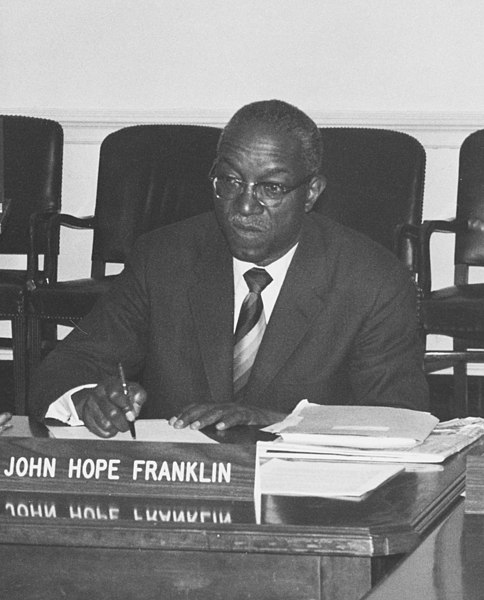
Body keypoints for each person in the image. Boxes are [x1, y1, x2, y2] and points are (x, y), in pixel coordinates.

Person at [30, 99, 429, 438]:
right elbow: (68, 365)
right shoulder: (164, 258)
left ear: (311, 192)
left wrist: (276, 422)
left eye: (271, 188)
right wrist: (87, 399)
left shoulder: (372, 280)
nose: (244, 205)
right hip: (182, 494)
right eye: (230, 181)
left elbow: (400, 419)